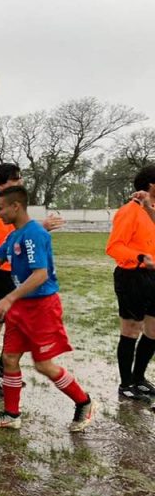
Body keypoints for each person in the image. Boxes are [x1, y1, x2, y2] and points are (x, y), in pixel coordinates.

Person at [0, 185, 95, 432]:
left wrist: (8, 298)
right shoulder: (13, 236)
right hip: (21, 307)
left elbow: (40, 274)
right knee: (10, 358)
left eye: (0, 209)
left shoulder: (33, 234)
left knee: (43, 364)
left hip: (41, 307)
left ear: (16, 206)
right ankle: (12, 415)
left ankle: (84, 402)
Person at [0, 164, 65, 396]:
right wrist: (39, 228)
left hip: (10, 273)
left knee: (14, 325)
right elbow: (5, 244)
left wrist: (37, 231)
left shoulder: (11, 207)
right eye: (15, 179)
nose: (21, 182)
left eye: (20, 178)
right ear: (1, 185)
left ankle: (3, 369)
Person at [105, 164, 155, 400]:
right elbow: (114, 246)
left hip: (153, 276)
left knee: (153, 331)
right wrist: (139, 258)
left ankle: (139, 378)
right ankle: (125, 385)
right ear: (151, 185)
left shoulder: (151, 210)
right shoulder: (128, 211)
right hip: (132, 276)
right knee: (131, 330)